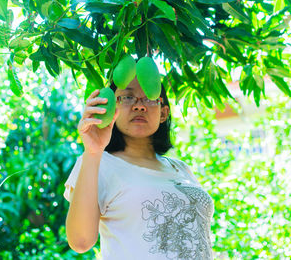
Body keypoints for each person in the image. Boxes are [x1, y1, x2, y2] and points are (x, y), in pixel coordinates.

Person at [63, 76, 214, 260]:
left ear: (163, 113)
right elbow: (80, 241)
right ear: (110, 108)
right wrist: (93, 153)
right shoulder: (97, 162)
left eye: (149, 98)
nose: (139, 106)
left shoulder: (181, 169)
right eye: (127, 97)